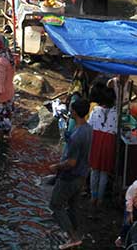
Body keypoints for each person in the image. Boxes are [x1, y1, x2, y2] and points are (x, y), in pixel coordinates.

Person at [49, 97, 92, 250]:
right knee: (73, 206)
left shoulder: (77, 135)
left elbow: (71, 163)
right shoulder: (88, 128)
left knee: (55, 204)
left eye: (71, 109)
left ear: (74, 111)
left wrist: (56, 166)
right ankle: (76, 235)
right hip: (82, 174)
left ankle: (72, 237)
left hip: (71, 176)